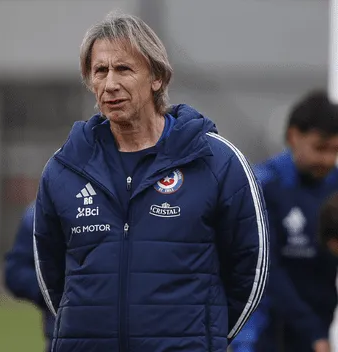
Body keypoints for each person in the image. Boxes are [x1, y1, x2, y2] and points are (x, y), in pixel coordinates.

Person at [32, 12, 269, 352]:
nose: (110, 83)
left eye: (123, 69)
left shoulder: (217, 161)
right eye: (100, 71)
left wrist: (204, 339)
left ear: (157, 77)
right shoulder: (65, 167)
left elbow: (251, 267)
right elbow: (51, 277)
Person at [232, 90, 338, 352]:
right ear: (293, 136)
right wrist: (311, 330)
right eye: (320, 148)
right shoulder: (263, 185)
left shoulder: (335, 186)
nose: (327, 159)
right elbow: (267, 272)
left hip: (316, 329)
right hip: (265, 332)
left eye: (335, 150)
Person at [4, 201, 55, 351]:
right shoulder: (40, 212)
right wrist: (53, 290)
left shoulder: (121, 208)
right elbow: (15, 271)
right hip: (62, 336)